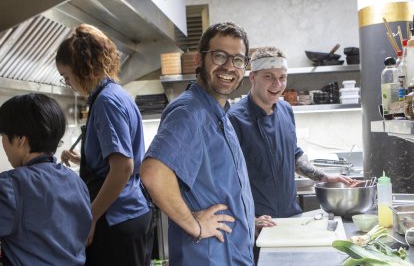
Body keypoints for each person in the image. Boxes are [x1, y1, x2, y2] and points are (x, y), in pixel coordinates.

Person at [140, 22, 255, 265]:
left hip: (230, 253)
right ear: (199, 60)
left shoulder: (218, 111)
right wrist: (195, 225)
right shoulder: (190, 112)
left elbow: (216, 185)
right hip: (208, 257)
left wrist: (246, 217)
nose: (229, 67)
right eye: (220, 56)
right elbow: (153, 173)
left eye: (238, 60)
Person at [57, 24, 154, 265]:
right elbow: (117, 158)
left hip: (117, 218)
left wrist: (91, 216)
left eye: (66, 77)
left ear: (82, 68)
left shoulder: (106, 102)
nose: (68, 84)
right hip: (129, 213)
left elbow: (123, 168)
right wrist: (85, 160)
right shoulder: (116, 94)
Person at [228, 46, 357, 220]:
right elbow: (226, 180)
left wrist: (324, 176)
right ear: (252, 77)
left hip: (291, 215)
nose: (277, 84)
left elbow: (294, 155)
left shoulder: (286, 110)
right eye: (269, 77)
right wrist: (249, 221)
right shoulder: (234, 119)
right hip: (257, 222)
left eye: (282, 77)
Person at [0, 93, 92, 265]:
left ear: (20, 140)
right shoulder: (76, 182)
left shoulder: (11, 186)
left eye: (3, 137)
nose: (3, 144)